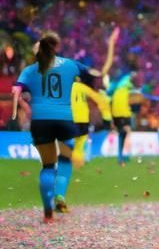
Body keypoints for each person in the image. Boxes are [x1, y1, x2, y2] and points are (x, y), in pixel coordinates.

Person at [11, 32, 100, 222]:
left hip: (41, 120)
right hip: (64, 119)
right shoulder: (69, 64)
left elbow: (16, 90)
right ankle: (62, 189)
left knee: (48, 166)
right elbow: (93, 74)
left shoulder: (29, 70)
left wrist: (24, 106)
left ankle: (47, 213)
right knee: (66, 157)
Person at [71, 26, 120, 171]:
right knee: (80, 141)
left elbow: (106, 67)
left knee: (77, 141)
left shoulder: (80, 83)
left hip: (76, 117)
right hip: (85, 117)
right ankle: (76, 161)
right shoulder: (88, 86)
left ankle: (73, 162)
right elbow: (106, 67)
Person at [109, 63, 136, 165]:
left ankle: (122, 156)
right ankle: (122, 156)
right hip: (119, 113)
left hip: (122, 112)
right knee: (123, 133)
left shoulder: (117, 85)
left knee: (124, 133)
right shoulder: (121, 83)